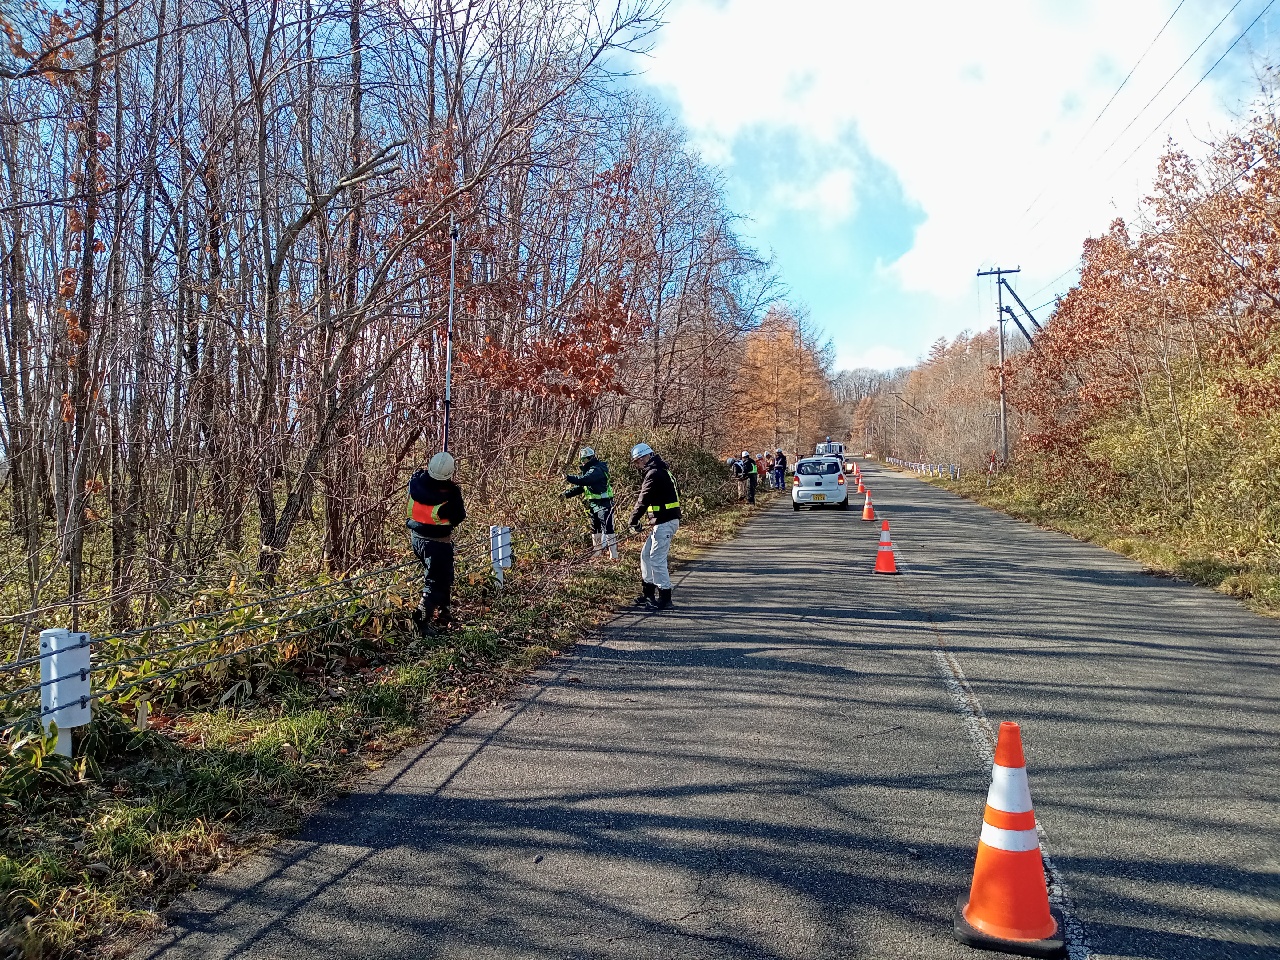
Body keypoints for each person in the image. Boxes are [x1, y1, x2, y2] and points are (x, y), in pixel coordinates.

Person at [406, 451, 466, 637]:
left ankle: (444, 612)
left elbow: (419, 476)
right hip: (437, 544)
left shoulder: (415, 482)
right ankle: (421, 618)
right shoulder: (451, 494)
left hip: (416, 538)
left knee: (443, 576)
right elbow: (458, 517)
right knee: (436, 581)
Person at [628, 442, 682, 610]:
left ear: (647, 457)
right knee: (646, 556)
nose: (637, 465)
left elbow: (643, 500)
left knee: (657, 559)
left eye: (638, 461)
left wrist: (633, 520)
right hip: (663, 521)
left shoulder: (654, 473)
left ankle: (665, 597)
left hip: (665, 522)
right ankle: (648, 593)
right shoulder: (661, 470)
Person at [563, 446, 617, 560]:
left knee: (608, 529)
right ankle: (597, 552)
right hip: (593, 505)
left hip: (604, 503)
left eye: (584, 459)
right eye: (582, 460)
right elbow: (581, 487)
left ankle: (614, 554)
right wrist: (566, 494)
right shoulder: (590, 470)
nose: (583, 462)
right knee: (595, 528)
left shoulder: (597, 469)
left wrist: (568, 477)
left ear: (591, 458)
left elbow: (584, 480)